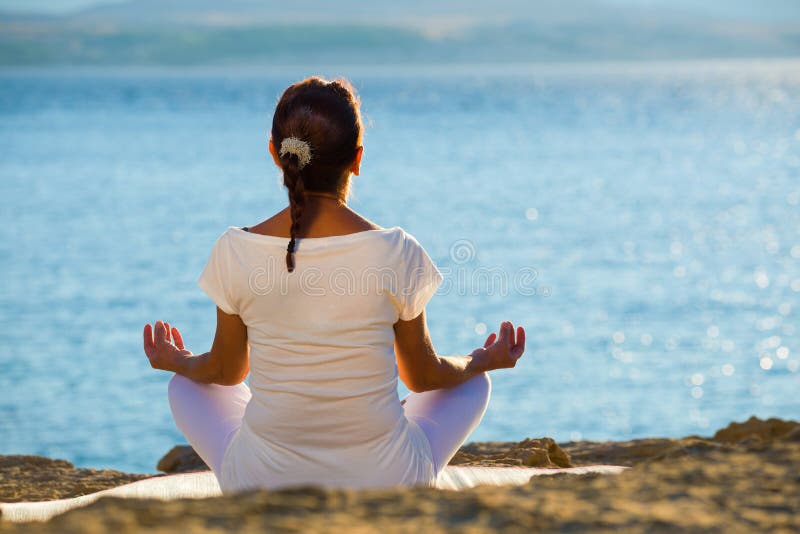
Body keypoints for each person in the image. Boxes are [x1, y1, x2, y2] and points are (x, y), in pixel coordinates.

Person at [142, 76, 526, 494]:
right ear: (357, 158)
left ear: (274, 153)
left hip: (261, 480)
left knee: (185, 387)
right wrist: (480, 361)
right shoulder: (396, 250)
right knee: (475, 384)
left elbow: (228, 370)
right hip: (388, 478)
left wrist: (176, 361)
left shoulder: (236, 249)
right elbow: (422, 376)